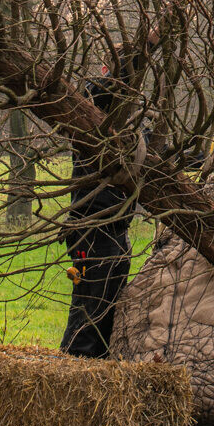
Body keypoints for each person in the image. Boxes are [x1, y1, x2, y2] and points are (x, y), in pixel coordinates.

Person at [60, 77, 135, 359]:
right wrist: (143, 49)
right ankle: (73, 371)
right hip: (93, 233)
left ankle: (97, 370)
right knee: (89, 312)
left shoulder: (126, 137)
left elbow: (159, 160)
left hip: (115, 232)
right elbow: (102, 90)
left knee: (107, 313)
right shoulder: (93, 130)